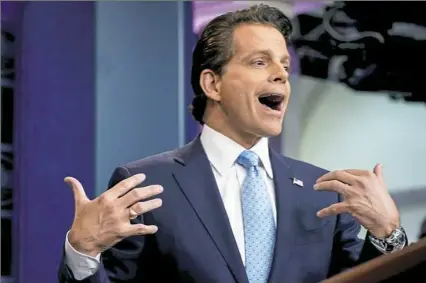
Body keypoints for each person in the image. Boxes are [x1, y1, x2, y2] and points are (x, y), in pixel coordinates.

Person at [58, 4, 407, 283]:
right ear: (212, 84)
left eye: (284, 65)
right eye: (259, 62)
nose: (282, 74)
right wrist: (83, 252)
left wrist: (387, 234)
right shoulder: (148, 185)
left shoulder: (322, 190)